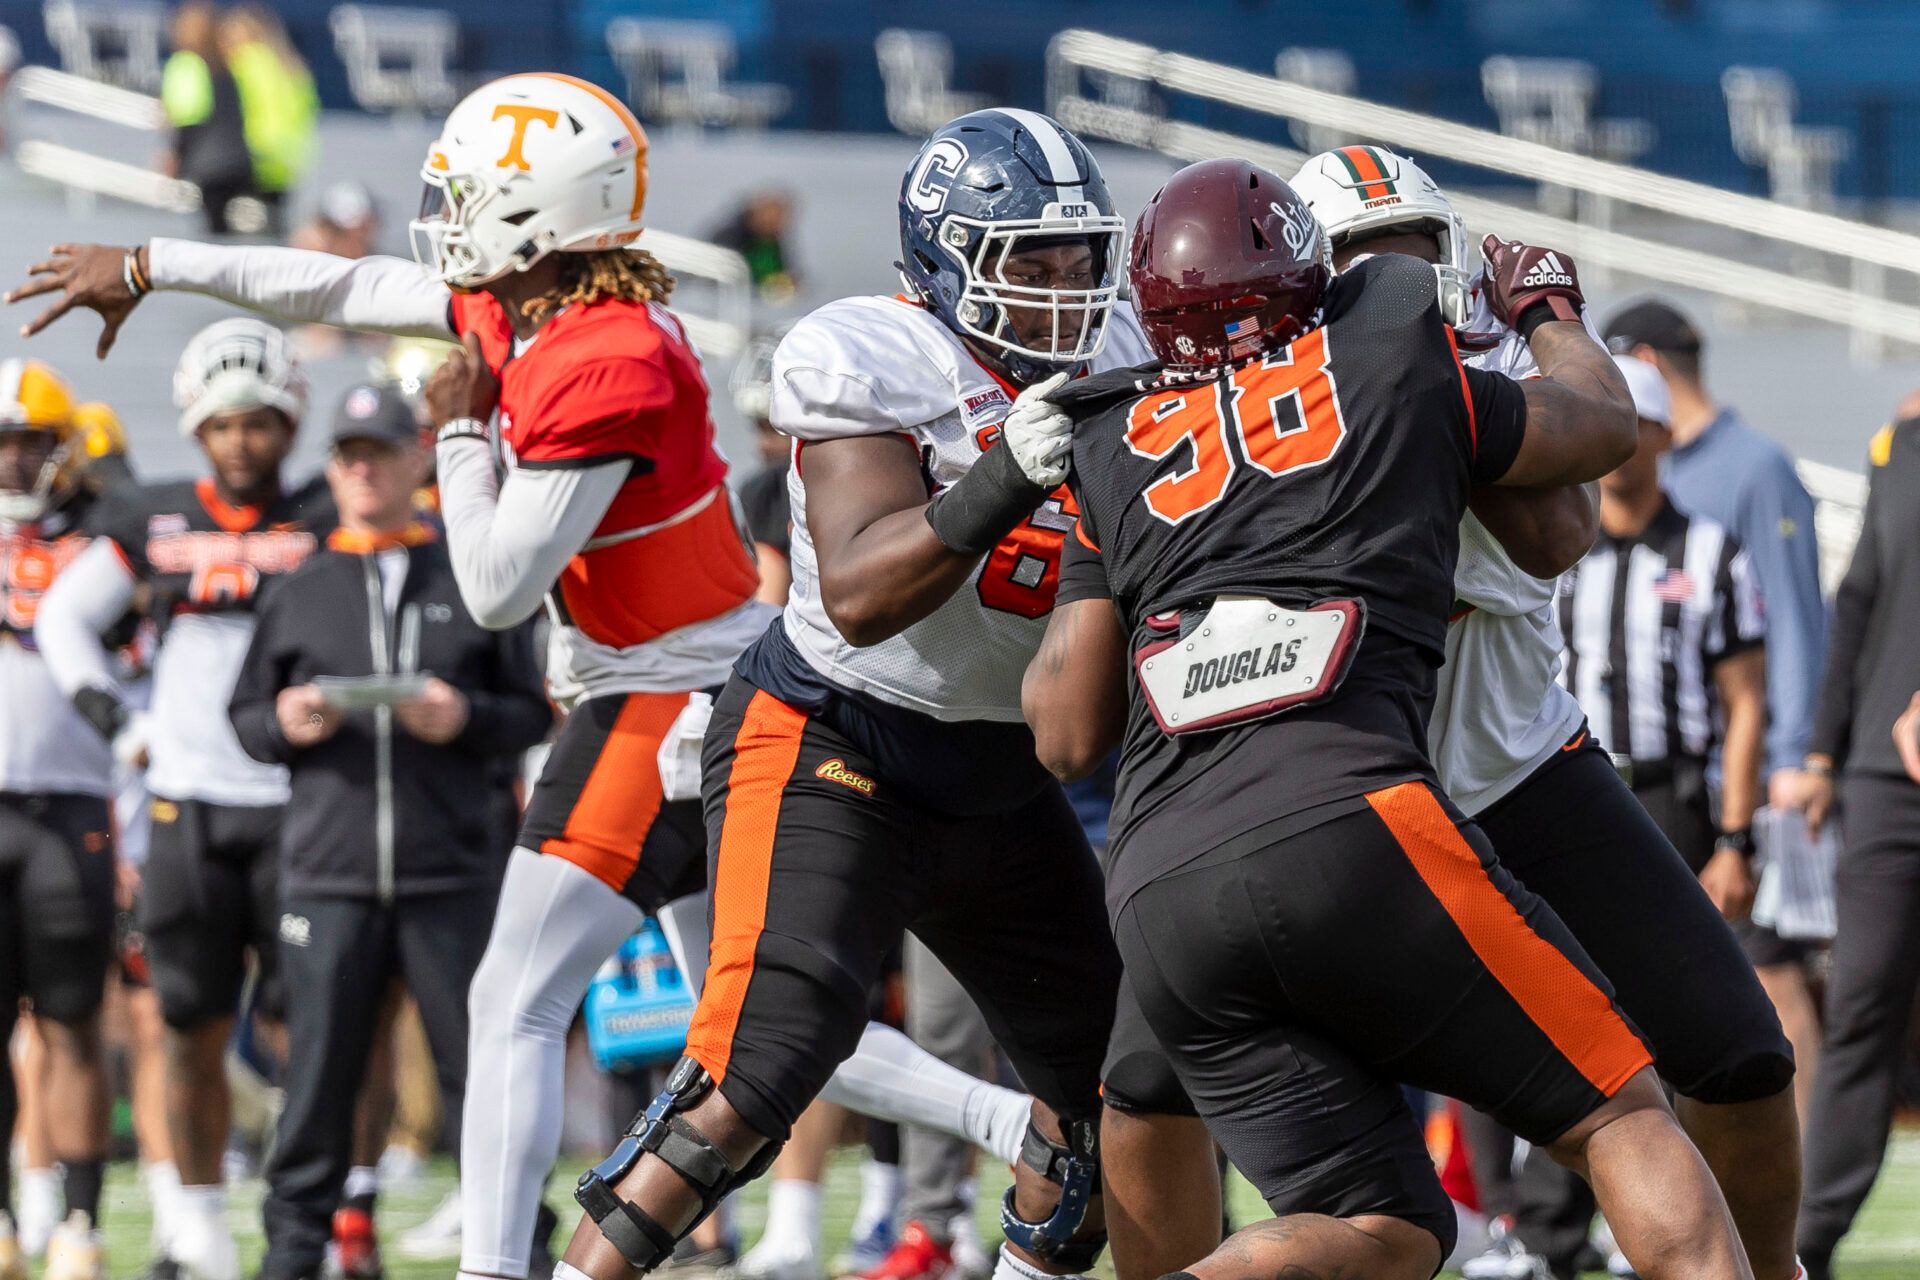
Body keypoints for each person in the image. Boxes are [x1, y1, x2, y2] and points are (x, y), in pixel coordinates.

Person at [5, 76, 1034, 1280]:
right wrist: (147, 264)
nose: (444, 210)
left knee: (513, 1002)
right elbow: (339, 284)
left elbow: (494, 582)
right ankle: (1020, 1126)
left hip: (671, 695)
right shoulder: (537, 316)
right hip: (704, 686)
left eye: (474, 192)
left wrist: (453, 431)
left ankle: (497, 1269)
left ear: (539, 219)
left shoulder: (608, 357)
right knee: (745, 1024)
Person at [1023, 157, 1749, 1280]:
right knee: (1619, 1113)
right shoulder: (1387, 356)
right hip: (1350, 814)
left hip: (1163, 872)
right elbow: (1598, 437)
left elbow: (1066, 735)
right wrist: (1548, 308)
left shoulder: (1110, 436)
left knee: (1389, 1229)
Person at [556, 108, 1152, 1280]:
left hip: (999, 767)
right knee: (753, 1071)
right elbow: (870, 584)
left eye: (1078, 258)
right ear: (943, 260)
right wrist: (1006, 472)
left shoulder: (1127, 345)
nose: (1062, 289)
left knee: (1112, 1086)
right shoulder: (868, 350)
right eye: (1027, 262)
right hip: (836, 736)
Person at [31, 319, 333, 1280]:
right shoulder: (150, 518)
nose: (241, 440)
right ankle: (196, 1230)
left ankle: (325, 1221)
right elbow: (64, 619)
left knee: (321, 1026)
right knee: (186, 1024)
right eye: (222, 424)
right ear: (196, 430)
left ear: (290, 423)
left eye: (259, 422)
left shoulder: (333, 514)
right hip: (187, 805)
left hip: (302, 802)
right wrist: (122, 726)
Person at [228, 382, 551, 1280]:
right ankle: (292, 1256)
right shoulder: (303, 586)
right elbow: (244, 714)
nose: (361, 468)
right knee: (318, 1083)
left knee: (480, 1076)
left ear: (419, 461)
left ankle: (520, 1250)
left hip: (450, 870)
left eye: (377, 450)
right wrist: (283, 721)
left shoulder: (470, 574)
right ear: (330, 469)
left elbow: (531, 711)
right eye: (346, 453)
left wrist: (468, 717)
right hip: (328, 874)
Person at [1605, 300, 1827, 1097]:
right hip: (1657, 771)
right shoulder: (1632, 487)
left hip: (1745, 772)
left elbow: (1795, 618)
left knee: (1764, 974)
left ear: (1646, 366)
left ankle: (1787, 1203)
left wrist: (1796, 757)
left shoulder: (1753, 467)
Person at [1788, 395, 1920, 1280]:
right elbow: (1863, 593)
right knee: (1863, 1002)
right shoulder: (1900, 443)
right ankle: (1803, 1246)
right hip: (1883, 776)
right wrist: (1823, 750)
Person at [0, 359, 125, 1280]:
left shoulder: (102, 543)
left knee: (75, 1024)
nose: (11, 461)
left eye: (28, 442)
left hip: (72, 805)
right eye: (2, 444)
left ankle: (79, 1222)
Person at [217, 5, 318, 236]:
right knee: (272, 225)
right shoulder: (290, 65)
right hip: (286, 158)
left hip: (255, 152)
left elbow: (238, 107)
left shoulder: (247, 61)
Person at [159, 2, 254, 236]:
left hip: (209, 164)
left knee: (214, 234)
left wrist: (175, 154)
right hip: (239, 162)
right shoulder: (227, 66)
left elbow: (189, 116)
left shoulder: (187, 64)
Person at [709, 192, 799, 300]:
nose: (774, 223)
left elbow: (787, 271)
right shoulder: (730, 237)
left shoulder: (775, 242)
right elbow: (721, 275)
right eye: (769, 217)